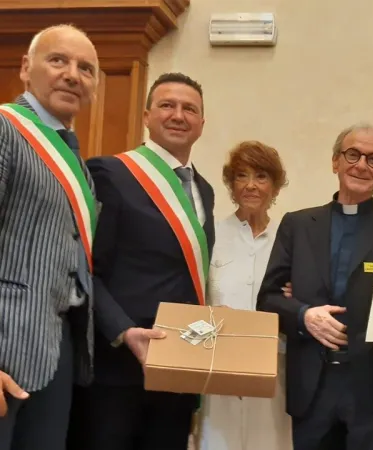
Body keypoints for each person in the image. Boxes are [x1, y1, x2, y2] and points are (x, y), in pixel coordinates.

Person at [66, 72, 215, 450]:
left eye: (189, 109)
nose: (178, 115)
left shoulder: (205, 191)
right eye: (167, 105)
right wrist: (123, 330)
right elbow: (86, 269)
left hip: (178, 363)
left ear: (202, 123)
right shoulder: (110, 173)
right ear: (147, 116)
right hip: (117, 366)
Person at [257, 123, 373, 450]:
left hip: (372, 387)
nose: (361, 165)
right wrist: (304, 315)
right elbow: (268, 299)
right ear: (335, 162)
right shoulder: (298, 225)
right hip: (312, 386)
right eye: (353, 154)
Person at [0, 24, 102, 450]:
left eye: (86, 68)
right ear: (26, 68)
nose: (72, 75)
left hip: (57, 347)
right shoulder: (5, 128)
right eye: (58, 60)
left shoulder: (78, 164)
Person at [199, 141, 292, 450]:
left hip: (274, 370)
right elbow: (193, 301)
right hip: (218, 367)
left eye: (261, 176)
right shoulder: (211, 235)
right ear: (231, 184)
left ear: (275, 186)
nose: (251, 185)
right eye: (241, 176)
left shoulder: (289, 240)